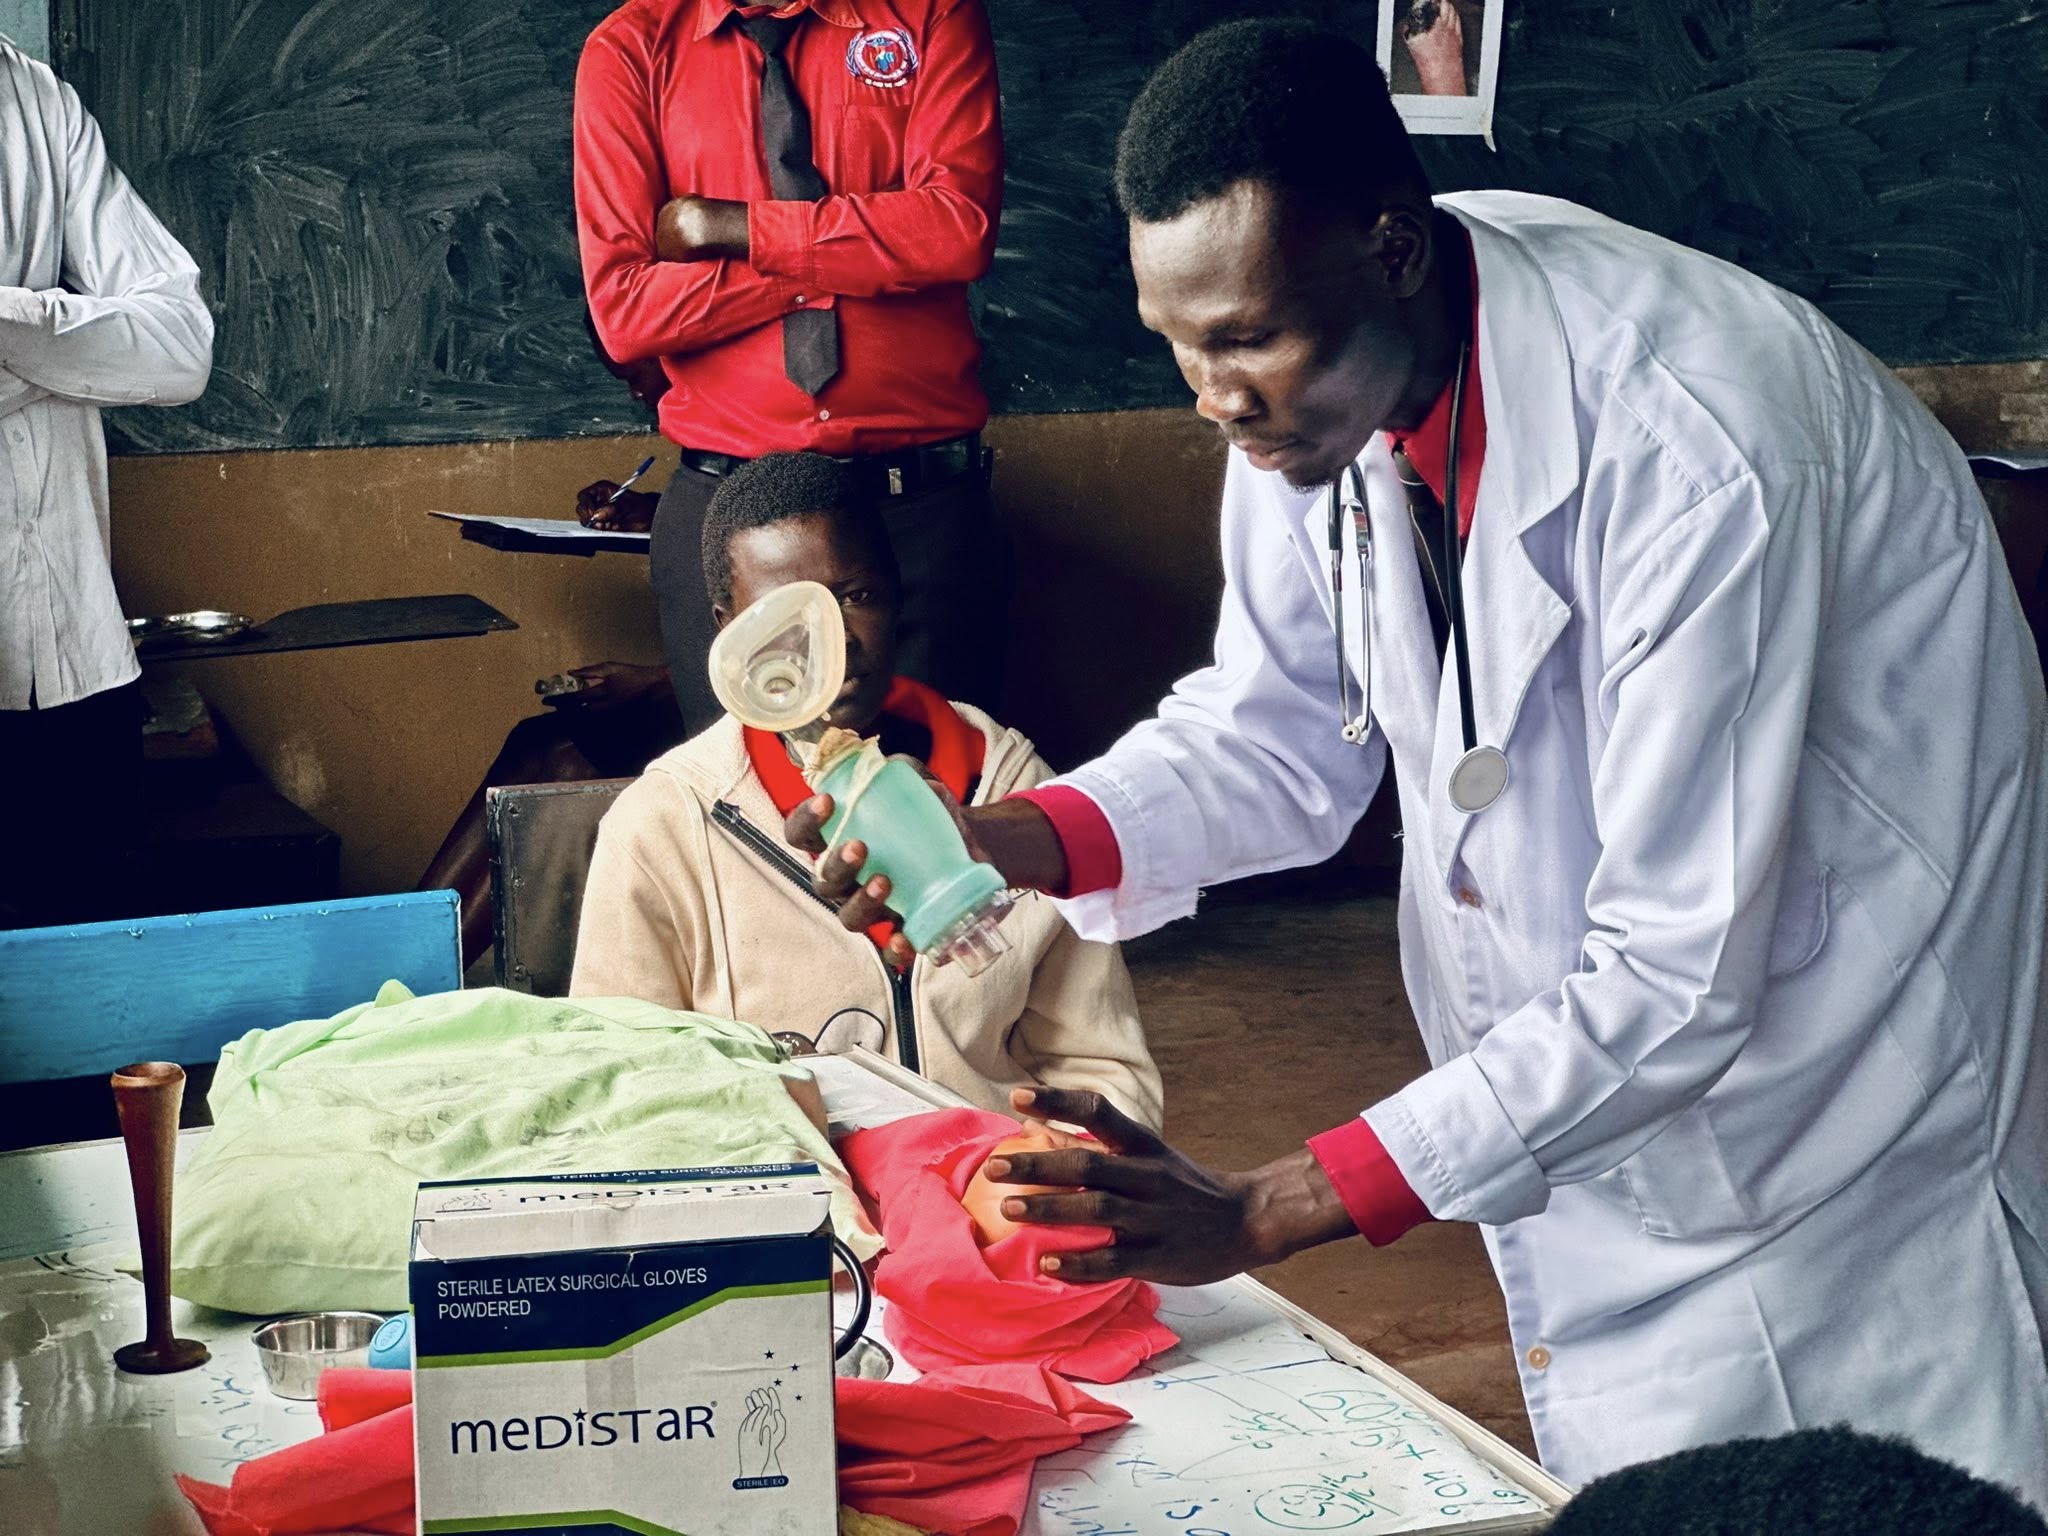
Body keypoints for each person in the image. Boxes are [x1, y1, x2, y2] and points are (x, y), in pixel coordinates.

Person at [791, 18, 2048, 1507]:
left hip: (1843, 1126)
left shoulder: (1694, 444)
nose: (1214, 391)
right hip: (1618, 1123)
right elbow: (1274, 734)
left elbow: (1676, 975)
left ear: (1394, 249)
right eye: (1178, 343)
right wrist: (1006, 840)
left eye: (1246, 336)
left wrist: (1266, 1205)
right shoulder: (1326, 398)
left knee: (1857, 1502)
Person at [571, 450, 1162, 1129]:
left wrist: (1040, 1178)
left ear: (896, 594)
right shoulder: (668, 823)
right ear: (728, 631)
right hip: (800, 1215)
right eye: (789, 614)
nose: (838, 644)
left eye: (856, 598)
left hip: (997, 1201)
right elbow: (623, 1087)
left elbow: (1101, 1070)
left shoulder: (1015, 791)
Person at [574, 0, 1009, 736]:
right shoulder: (630, 49)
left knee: (937, 809)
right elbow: (626, 311)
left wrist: (732, 230)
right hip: (728, 517)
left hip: (918, 514)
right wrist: (844, 256)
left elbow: (957, 230)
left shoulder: (929, 14)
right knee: (745, 816)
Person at [0, 36, 213, 929]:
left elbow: (180, 347)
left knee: (90, 1019)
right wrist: (66, 343)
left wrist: (12, 318)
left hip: (80, 666)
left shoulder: (36, 98)